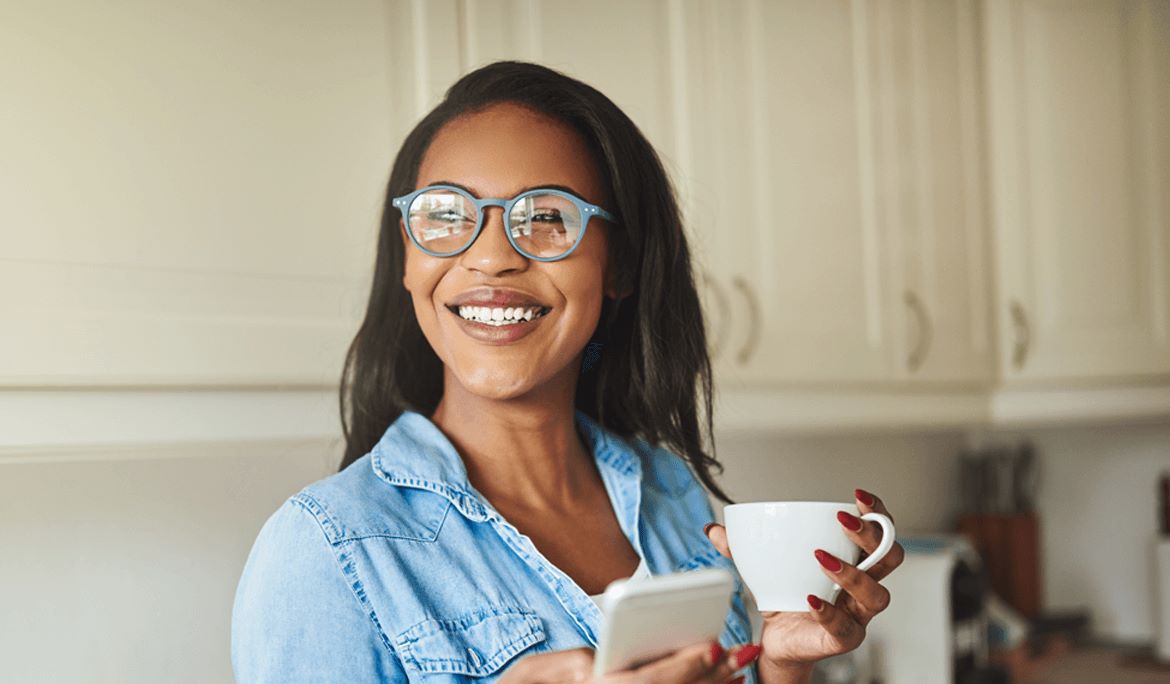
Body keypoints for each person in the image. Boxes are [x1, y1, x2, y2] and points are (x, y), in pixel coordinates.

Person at [231, 60, 903, 684]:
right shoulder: (324, 551)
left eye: (547, 217)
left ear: (619, 266)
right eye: (445, 215)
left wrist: (783, 667)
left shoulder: (671, 495)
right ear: (407, 260)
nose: (490, 257)